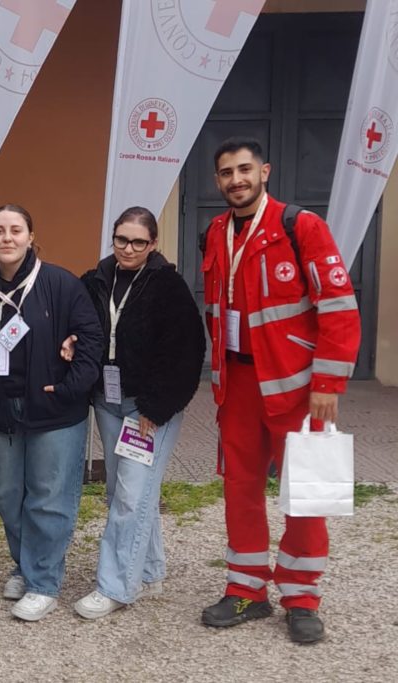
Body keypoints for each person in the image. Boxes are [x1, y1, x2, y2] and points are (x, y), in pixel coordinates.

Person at [200, 137, 360, 643]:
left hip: (300, 387)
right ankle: (246, 588)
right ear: (218, 181)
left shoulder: (301, 226)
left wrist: (328, 382)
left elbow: (339, 307)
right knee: (240, 489)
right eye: (227, 173)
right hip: (237, 384)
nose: (236, 180)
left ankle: (302, 596)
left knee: (308, 493)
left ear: (264, 171)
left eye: (244, 169)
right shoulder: (216, 232)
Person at [0, 204, 102, 622]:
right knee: (8, 493)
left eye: (16, 230)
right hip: (0, 410)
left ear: (31, 237)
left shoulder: (61, 284)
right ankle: (25, 564)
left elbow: (91, 340)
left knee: (48, 496)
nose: (7, 238)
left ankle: (43, 582)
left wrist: (68, 390)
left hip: (54, 410)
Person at [74, 207, 205, 620]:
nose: (128, 249)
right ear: (112, 238)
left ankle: (115, 586)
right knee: (124, 493)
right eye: (121, 240)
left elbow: (186, 350)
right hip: (108, 400)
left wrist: (156, 406)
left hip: (147, 409)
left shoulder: (168, 286)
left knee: (132, 496)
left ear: (153, 243)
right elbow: (82, 327)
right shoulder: (96, 280)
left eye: (138, 242)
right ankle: (149, 570)